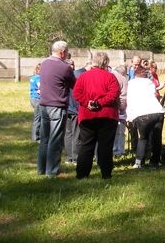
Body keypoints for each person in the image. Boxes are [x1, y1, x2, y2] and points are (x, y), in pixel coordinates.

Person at [73, 51, 120, 180]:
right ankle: (106, 174)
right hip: (107, 116)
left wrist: (87, 103)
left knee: (86, 145)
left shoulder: (83, 76)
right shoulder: (110, 77)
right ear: (106, 62)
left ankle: (82, 174)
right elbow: (114, 94)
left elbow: (76, 93)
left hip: (87, 116)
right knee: (105, 146)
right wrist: (100, 103)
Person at [36, 41, 76, 177]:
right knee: (55, 139)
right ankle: (52, 171)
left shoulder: (44, 63)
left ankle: (41, 169)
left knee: (45, 139)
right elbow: (74, 84)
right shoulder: (64, 67)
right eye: (67, 52)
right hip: (57, 106)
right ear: (62, 52)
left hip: (43, 105)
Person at [127, 65, 165, 169]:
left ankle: (139, 162)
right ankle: (155, 162)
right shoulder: (149, 82)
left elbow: (129, 100)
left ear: (135, 75)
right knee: (157, 138)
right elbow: (154, 94)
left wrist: (129, 116)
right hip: (157, 111)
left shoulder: (131, 83)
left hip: (143, 113)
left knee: (143, 138)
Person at [112, 65, 128, 156]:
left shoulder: (109, 75)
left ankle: (113, 149)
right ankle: (119, 150)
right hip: (119, 109)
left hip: (109, 108)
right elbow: (124, 96)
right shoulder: (123, 79)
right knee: (121, 131)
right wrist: (121, 108)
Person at [29, 63, 41, 142]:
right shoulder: (38, 78)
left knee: (38, 118)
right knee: (38, 118)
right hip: (37, 99)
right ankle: (35, 138)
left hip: (32, 98)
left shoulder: (33, 77)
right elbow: (41, 87)